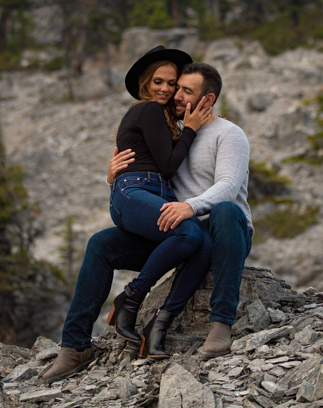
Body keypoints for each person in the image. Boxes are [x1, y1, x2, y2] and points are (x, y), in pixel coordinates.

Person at [40, 62, 252, 382]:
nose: (176, 96)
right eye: (177, 88)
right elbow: (150, 173)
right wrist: (113, 174)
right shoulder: (176, 136)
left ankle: (220, 324)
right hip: (183, 234)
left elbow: (228, 188)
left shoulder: (229, 133)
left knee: (223, 211)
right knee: (100, 244)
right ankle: (74, 347)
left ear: (208, 100)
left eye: (186, 92)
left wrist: (188, 207)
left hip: (224, 230)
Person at [105, 46, 212, 349]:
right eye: (158, 82)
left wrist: (204, 126)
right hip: (134, 191)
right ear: (145, 84)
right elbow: (167, 165)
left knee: (204, 244)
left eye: (172, 83)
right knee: (188, 232)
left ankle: (159, 326)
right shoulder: (148, 109)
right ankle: (132, 296)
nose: (165, 89)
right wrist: (191, 129)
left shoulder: (165, 121)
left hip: (154, 193)